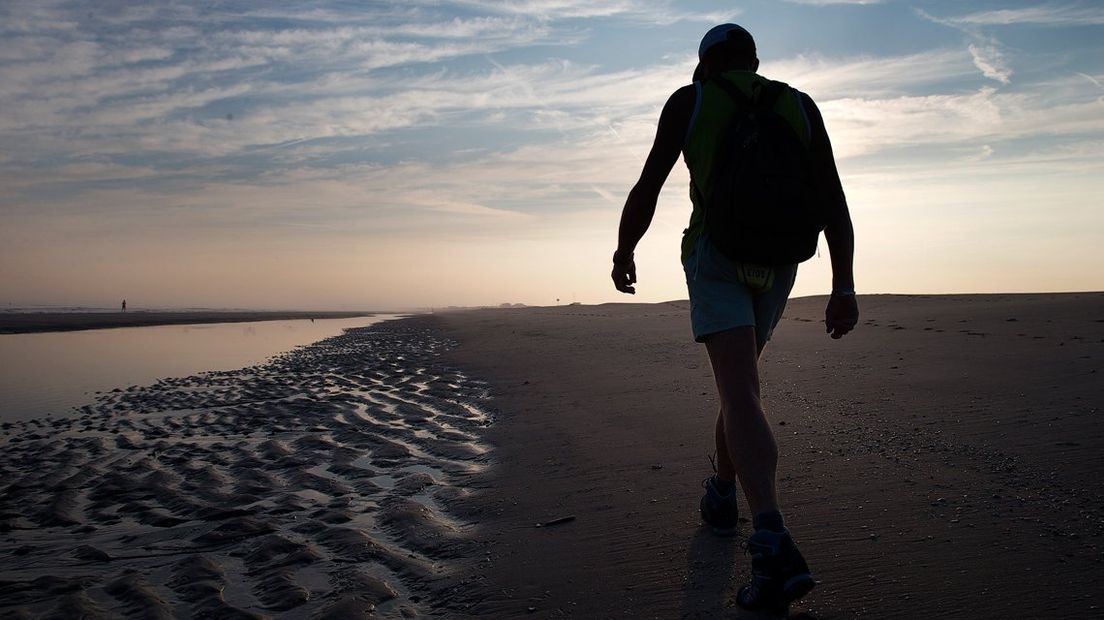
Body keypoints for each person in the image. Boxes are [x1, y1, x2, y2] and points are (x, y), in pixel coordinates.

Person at [611, 24, 859, 611]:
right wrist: (843, 283)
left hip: (717, 256)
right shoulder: (799, 104)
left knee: (741, 393)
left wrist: (625, 250)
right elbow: (833, 199)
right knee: (741, 389)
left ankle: (771, 539)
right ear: (753, 60)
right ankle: (722, 492)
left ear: (705, 64)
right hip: (778, 264)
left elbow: (650, 182)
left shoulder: (691, 99)